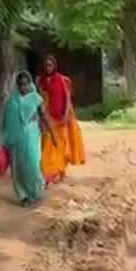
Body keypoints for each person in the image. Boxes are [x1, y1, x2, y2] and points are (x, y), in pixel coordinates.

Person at [0, 71, 58, 206]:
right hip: (16, 140)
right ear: (17, 85)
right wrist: (4, 141)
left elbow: (43, 116)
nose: (23, 87)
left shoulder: (35, 99)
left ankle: (36, 192)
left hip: (31, 136)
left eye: (25, 84)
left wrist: (53, 135)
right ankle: (23, 196)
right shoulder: (11, 102)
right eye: (20, 84)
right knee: (17, 168)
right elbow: (6, 122)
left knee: (33, 165)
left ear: (30, 84)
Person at [37, 55, 86, 184]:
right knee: (48, 143)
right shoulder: (40, 81)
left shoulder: (62, 80)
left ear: (54, 66)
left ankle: (60, 170)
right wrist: (42, 117)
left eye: (50, 65)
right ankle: (48, 172)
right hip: (49, 116)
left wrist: (65, 115)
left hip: (61, 116)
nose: (48, 67)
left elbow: (68, 99)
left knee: (61, 145)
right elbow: (42, 100)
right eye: (46, 65)